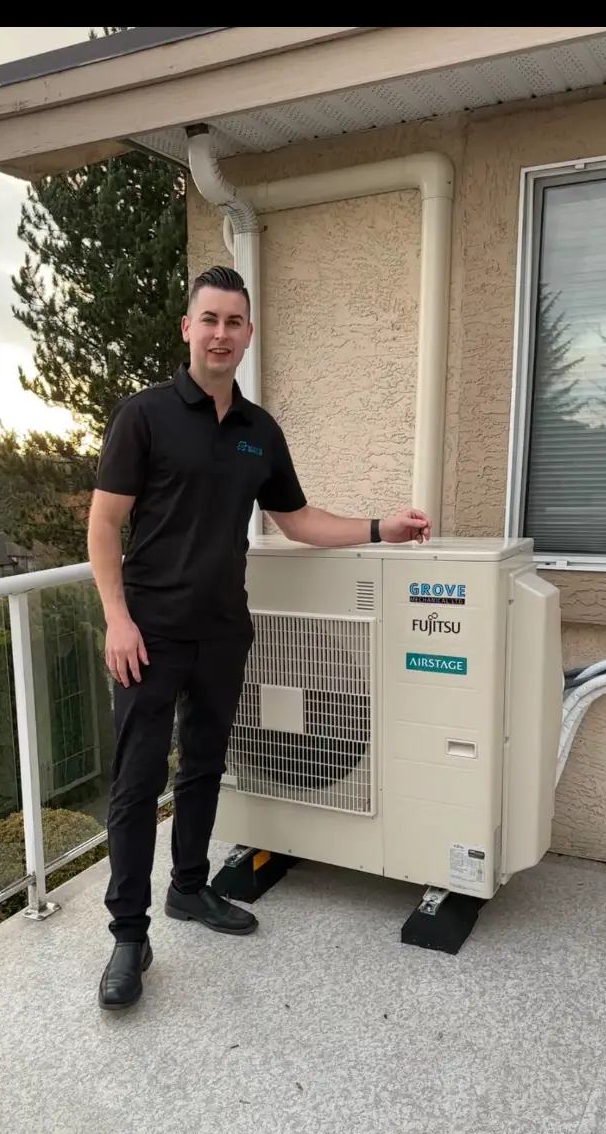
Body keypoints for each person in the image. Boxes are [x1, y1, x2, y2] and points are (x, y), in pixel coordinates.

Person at [87, 264, 431, 1010]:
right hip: (148, 636)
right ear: (188, 329)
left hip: (223, 633)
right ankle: (127, 936)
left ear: (247, 334)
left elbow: (298, 520)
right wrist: (116, 618)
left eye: (233, 322)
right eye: (208, 319)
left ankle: (188, 891)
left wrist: (382, 529)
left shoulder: (259, 433)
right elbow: (104, 525)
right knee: (137, 785)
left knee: (205, 767)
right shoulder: (143, 416)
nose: (220, 334)